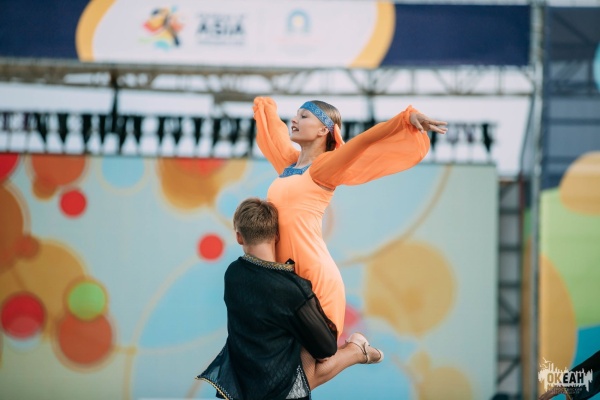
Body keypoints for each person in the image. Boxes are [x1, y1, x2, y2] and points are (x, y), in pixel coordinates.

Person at [253, 97, 447, 336]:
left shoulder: (323, 168)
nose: (294, 120)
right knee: (282, 355)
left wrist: (405, 119)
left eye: (303, 116)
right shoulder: (288, 166)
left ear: (323, 130)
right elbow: (274, 137)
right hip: (282, 272)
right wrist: (264, 107)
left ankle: (358, 349)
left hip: (312, 272)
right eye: (296, 115)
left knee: (314, 356)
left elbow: (363, 142)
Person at [196, 197, 384, 400]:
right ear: (277, 235)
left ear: (239, 237)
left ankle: (357, 350)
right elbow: (326, 350)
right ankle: (356, 351)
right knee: (310, 341)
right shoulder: (292, 289)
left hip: (243, 385)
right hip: (278, 389)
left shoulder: (232, 274)